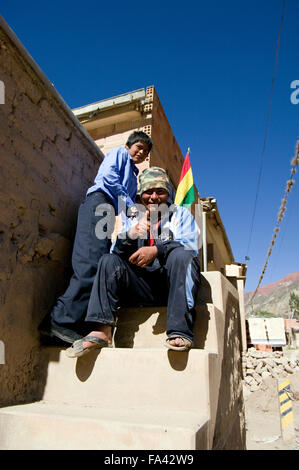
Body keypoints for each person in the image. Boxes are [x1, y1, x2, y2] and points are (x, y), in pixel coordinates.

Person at [65, 167, 201, 357]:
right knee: (109, 260)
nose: (154, 197)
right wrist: (130, 235)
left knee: (183, 255)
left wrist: (157, 249)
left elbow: (191, 245)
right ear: (141, 194)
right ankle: (101, 330)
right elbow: (116, 253)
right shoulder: (134, 217)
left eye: (160, 191)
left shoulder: (181, 215)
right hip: (142, 287)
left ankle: (180, 330)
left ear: (168, 193)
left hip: (171, 287)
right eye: (148, 192)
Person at [39, 131, 153, 344]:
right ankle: (59, 320)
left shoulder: (134, 176)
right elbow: (109, 177)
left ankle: (65, 325)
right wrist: (130, 205)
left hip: (108, 213)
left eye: (145, 152)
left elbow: (126, 211)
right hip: (99, 204)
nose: (140, 152)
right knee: (89, 265)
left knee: (98, 264)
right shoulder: (119, 154)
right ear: (129, 146)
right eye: (138, 147)